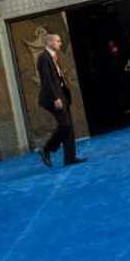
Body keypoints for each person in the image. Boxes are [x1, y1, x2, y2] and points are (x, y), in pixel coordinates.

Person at [36, 31, 84, 168]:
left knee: (68, 127)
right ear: (49, 42)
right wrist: (55, 98)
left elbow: (58, 77)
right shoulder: (43, 57)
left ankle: (70, 158)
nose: (60, 43)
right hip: (53, 98)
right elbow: (47, 80)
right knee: (65, 125)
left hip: (62, 95)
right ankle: (46, 149)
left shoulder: (53, 56)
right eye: (58, 41)